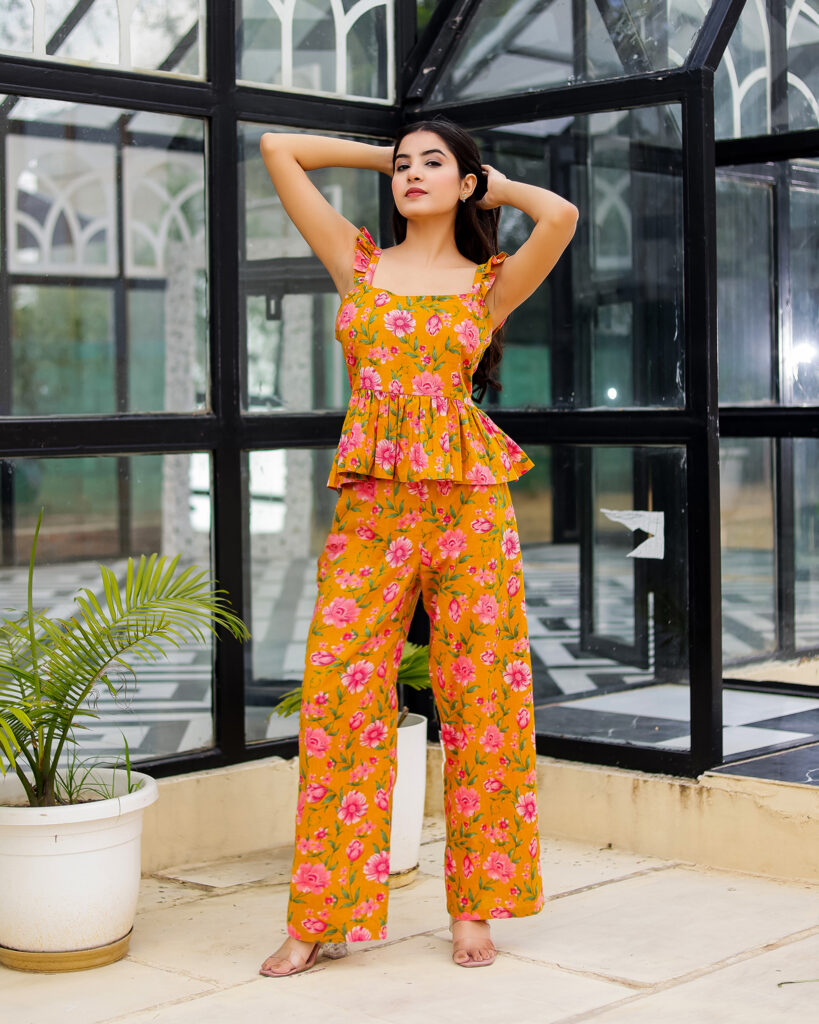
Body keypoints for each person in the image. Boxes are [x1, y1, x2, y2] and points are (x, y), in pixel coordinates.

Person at [257, 118, 578, 976]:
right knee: (336, 702)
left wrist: (487, 181)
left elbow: (562, 214)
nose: (410, 173)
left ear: (464, 183)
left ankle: (474, 904)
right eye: (403, 165)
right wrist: (386, 154)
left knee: (483, 704)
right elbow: (279, 151)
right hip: (371, 512)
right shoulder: (356, 260)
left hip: (470, 509)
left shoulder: (489, 285)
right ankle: (319, 914)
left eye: (431, 164)